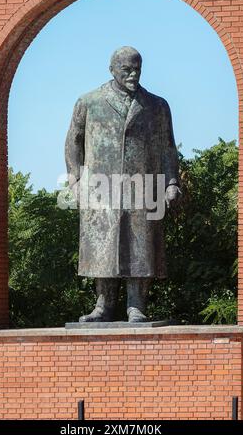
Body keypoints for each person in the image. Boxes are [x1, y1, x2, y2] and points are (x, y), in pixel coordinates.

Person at [65, 46, 181, 323]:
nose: (132, 75)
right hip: (100, 187)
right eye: (126, 70)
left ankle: (136, 306)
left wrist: (171, 182)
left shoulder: (157, 105)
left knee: (141, 246)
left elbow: (167, 148)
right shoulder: (89, 102)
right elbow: (73, 142)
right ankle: (103, 306)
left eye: (137, 69)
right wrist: (75, 179)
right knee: (102, 247)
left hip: (144, 185)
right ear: (112, 70)